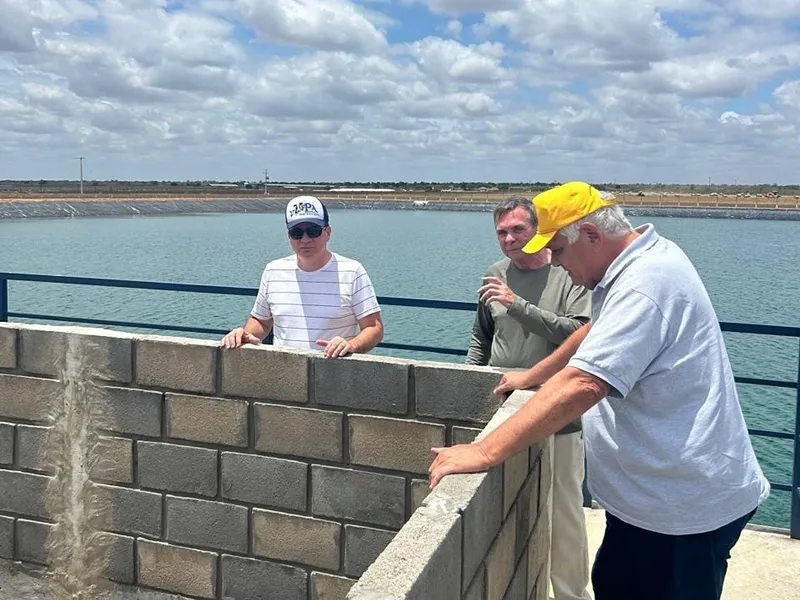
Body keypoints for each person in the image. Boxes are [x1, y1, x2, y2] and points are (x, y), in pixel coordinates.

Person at [429, 182, 769, 600]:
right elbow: (593, 332)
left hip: (682, 511)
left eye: (557, 250)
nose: (554, 261)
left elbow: (585, 382)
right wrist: (532, 374)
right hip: (645, 503)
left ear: (591, 234)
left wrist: (483, 452)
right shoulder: (631, 263)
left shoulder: (645, 283)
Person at [466, 196, 592, 600]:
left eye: (518, 229)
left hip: (559, 415)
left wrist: (516, 304)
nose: (508, 239)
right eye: (501, 232)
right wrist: (469, 380)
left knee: (565, 517)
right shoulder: (494, 274)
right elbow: (481, 337)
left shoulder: (566, 272)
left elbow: (576, 334)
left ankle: (571, 595)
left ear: (538, 230)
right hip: (503, 413)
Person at [221, 195, 383, 358]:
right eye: (297, 233)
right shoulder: (273, 271)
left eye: (313, 231)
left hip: (335, 374)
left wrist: (350, 345)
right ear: (288, 236)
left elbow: (374, 328)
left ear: (328, 232)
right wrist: (246, 335)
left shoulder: (353, 272)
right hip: (284, 373)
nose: (305, 239)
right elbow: (261, 321)